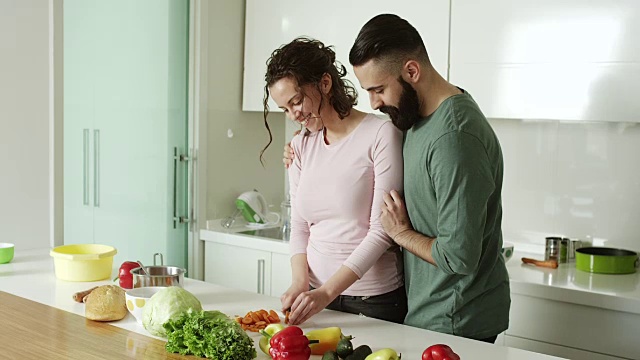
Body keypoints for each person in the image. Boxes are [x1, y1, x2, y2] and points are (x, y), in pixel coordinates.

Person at [283, 15, 510, 343]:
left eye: (378, 89)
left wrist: (400, 233)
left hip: (457, 317)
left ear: (412, 71)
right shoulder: (417, 118)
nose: (374, 102)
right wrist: (301, 143)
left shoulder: (455, 137)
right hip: (426, 309)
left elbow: (458, 256)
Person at [261, 37, 407, 326]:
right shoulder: (300, 146)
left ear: (325, 83)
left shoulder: (381, 135)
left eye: (297, 101)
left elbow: (382, 232)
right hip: (315, 297)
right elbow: (300, 225)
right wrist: (300, 283)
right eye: (285, 109)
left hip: (372, 300)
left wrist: (326, 292)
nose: (294, 116)